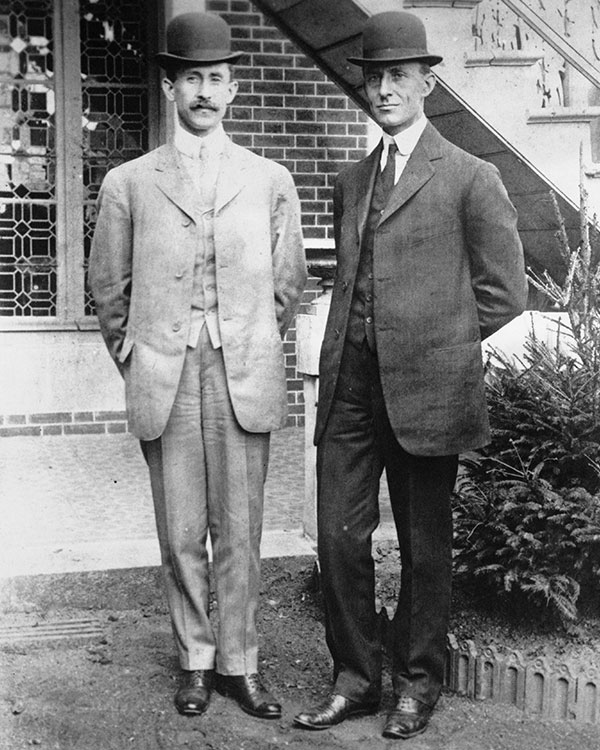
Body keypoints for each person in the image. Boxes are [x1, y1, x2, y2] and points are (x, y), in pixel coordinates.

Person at [294, 10, 527, 741]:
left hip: (429, 390)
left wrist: (433, 347)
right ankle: (357, 678)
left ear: (427, 82)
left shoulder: (470, 176)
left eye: (398, 76)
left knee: (426, 546)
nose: (384, 88)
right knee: (338, 537)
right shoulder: (351, 179)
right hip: (351, 391)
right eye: (374, 76)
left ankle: (419, 682)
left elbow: (505, 292)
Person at [89, 12, 306, 720]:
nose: (205, 92)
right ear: (170, 86)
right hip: (167, 372)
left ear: (234, 88)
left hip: (242, 368)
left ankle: (240, 663)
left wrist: (247, 342)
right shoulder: (129, 182)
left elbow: (287, 283)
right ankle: (196, 658)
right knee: (181, 530)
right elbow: (108, 290)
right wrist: (137, 354)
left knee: (240, 529)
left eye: (216, 78)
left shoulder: (270, 179)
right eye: (192, 79)